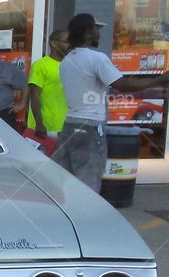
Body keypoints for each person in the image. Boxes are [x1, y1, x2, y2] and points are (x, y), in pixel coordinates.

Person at [53, 13, 169, 192]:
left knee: (67, 184)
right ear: (86, 33)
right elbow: (123, 84)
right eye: (95, 29)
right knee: (88, 186)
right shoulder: (96, 58)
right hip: (90, 129)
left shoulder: (66, 61)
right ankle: (86, 219)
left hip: (69, 125)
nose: (99, 34)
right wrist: (159, 80)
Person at [27, 30, 69, 139]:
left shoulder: (70, 65)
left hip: (66, 125)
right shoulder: (41, 65)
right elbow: (34, 95)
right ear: (53, 43)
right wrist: (39, 124)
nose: (70, 45)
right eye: (66, 41)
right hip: (46, 127)